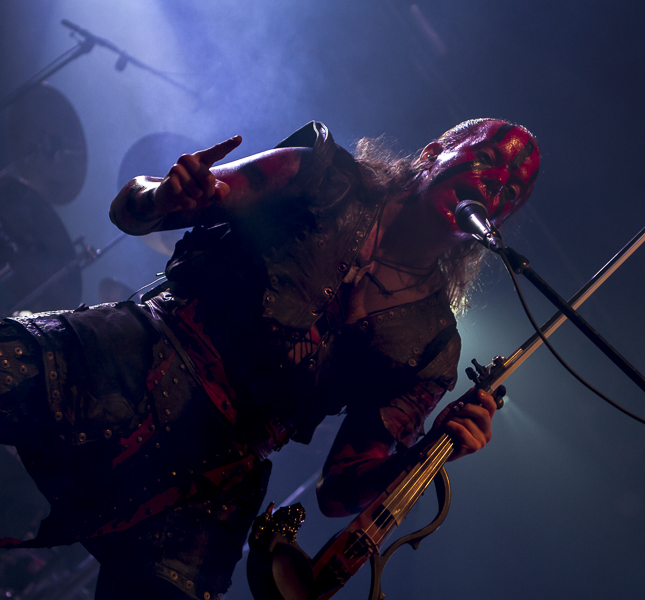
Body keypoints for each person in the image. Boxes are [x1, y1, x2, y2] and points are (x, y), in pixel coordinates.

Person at [0, 118, 540, 599]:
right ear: (433, 152)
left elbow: (338, 490)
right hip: (131, 356)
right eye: (487, 159)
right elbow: (131, 208)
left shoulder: (432, 346)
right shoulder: (323, 176)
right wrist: (166, 196)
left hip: (208, 479)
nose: (494, 185)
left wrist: (425, 454)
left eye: (511, 189)